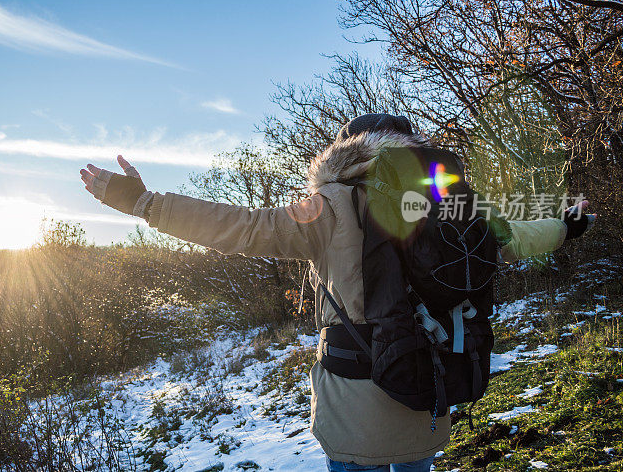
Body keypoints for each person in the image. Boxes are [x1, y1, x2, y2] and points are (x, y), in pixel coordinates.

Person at [79, 114, 593, 472]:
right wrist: (568, 226)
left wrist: (144, 202)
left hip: (355, 404)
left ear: (348, 151)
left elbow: (240, 226)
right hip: (430, 390)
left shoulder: (330, 205)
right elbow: (519, 238)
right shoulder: (449, 203)